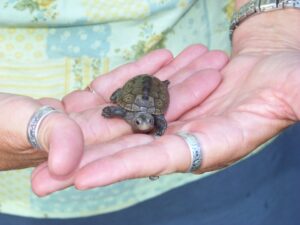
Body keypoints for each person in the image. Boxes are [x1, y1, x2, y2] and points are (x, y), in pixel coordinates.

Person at [1, 0, 300, 224]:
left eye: (146, 121)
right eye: (142, 120)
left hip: (223, 98)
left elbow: (144, 116)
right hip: (19, 200)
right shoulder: (125, 110)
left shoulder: (154, 118)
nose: (144, 122)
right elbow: (116, 108)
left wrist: (275, 31)